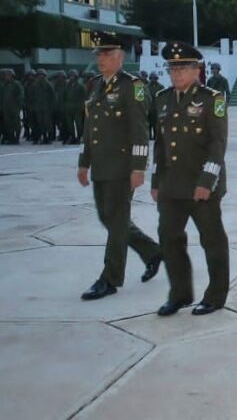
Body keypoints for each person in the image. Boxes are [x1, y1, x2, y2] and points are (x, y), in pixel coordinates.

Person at [77, 36, 163, 301]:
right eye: (98, 54)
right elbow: (92, 130)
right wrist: (84, 161)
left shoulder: (132, 86)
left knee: (116, 222)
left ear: (120, 57)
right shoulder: (96, 86)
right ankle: (152, 251)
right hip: (102, 166)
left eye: (106, 53)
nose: (100, 59)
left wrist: (139, 167)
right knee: (108, 218)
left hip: (123, 167)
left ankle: (110, 278)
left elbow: (140, 131)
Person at [151, 42, 230, 317]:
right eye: (172, 67)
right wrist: (155, 181)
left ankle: (216, 296)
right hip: (172, 184)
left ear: (197, 69)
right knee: (169, 238)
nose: (176, 73)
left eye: (183, 67)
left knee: (212, 240)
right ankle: (180, 294)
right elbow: (160, 144)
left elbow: (217, 145)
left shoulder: (212, 99)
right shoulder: (162, 98)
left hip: (202, 184)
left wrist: (206, 182)